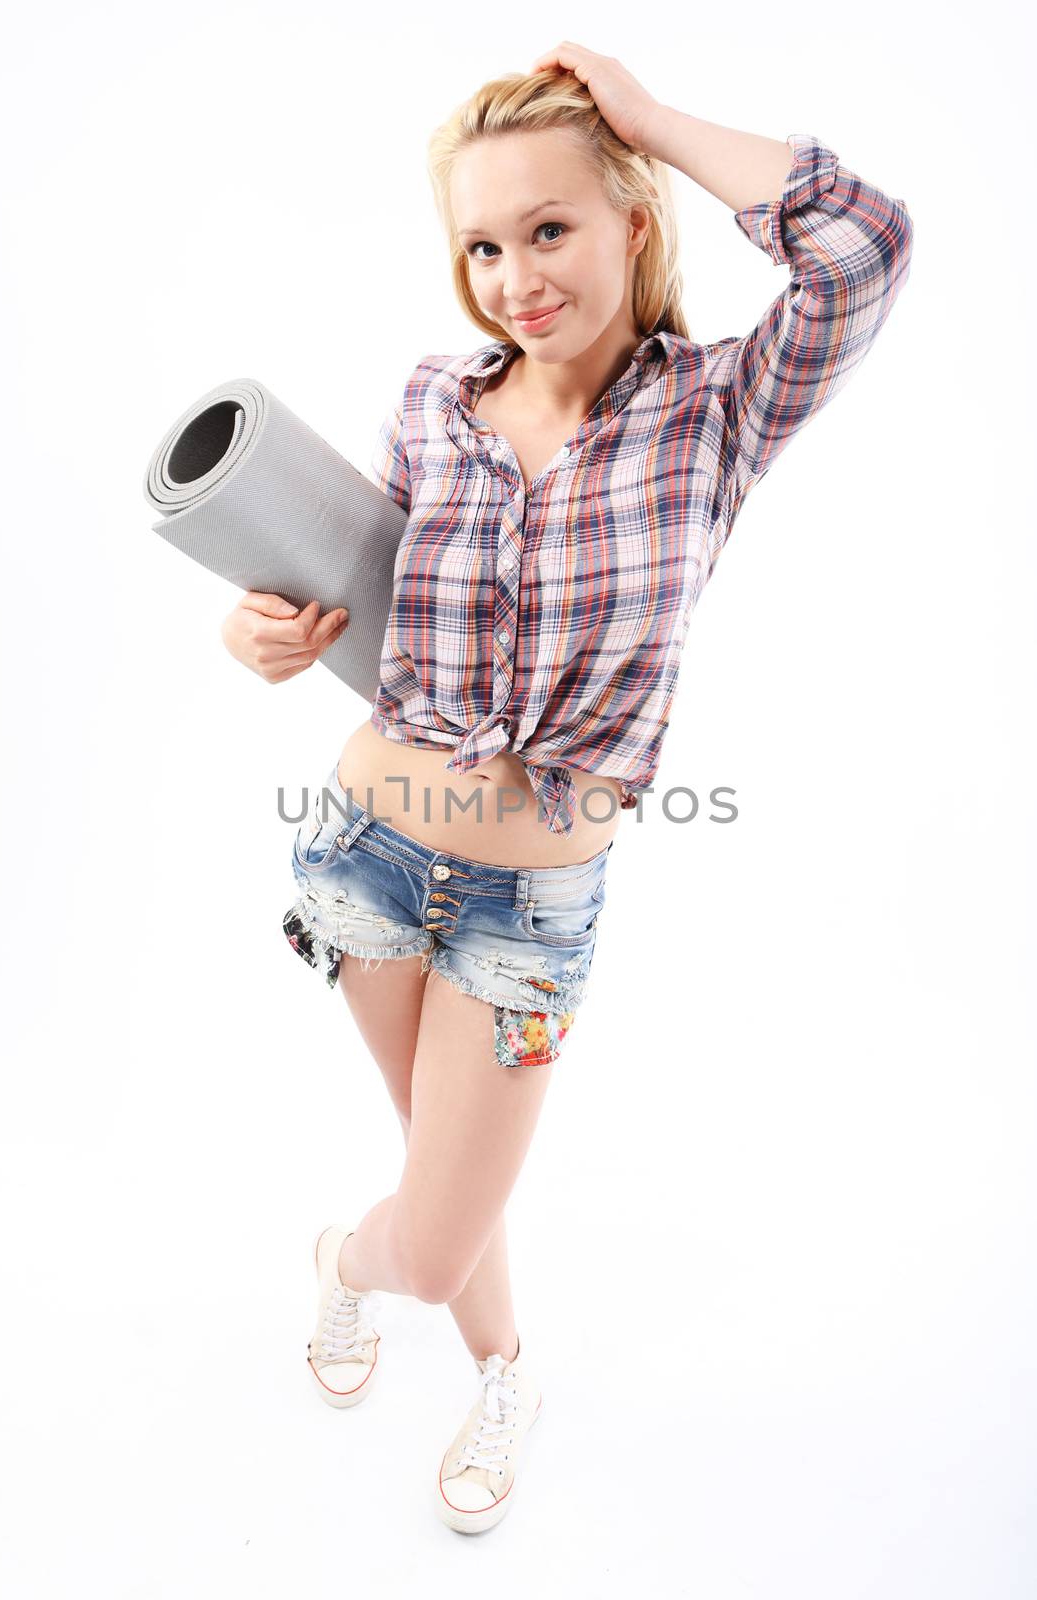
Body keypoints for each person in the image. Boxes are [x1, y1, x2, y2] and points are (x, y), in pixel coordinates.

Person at [220, 42, 915, 1534]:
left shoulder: (716, 414)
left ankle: (346, 1263)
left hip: (533, 897)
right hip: (366, 856)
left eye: (551, 229)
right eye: (483, 242)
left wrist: (651, 119)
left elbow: (864, 244)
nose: (515, 277)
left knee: (430, 1223)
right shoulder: (433, 401)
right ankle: (507, 1376)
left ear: (633, 223)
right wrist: (262, 633)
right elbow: (370, 604)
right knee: (448, 1173)